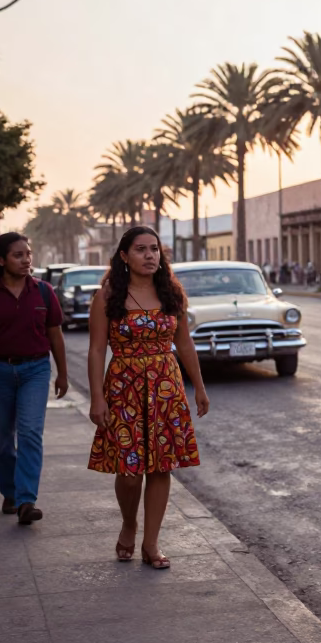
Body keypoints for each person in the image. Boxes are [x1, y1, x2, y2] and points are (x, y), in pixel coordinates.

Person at [87, 227, 209, 569]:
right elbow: (97, 350)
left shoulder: (172, 292)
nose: (150, 255)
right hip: (123, 388)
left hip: (166, 389)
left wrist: (198, 386)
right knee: (128, 471)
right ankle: (129, 523)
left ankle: (151, 543)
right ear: (124, 256)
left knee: (161, 466)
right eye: (141, 249)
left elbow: (184, 343)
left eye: (154, 249)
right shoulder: (108, 296)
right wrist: (97, 398)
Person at [0, 233, 69, 524]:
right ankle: (10, 491)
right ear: (1, 260)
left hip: (36, 371)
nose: (26, 260)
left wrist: (62, 374)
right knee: (2, 442)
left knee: (31, 433)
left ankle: (25, 500)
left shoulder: (43, 291)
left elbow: (55, 335)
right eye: (18, 255)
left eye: (28, 254)